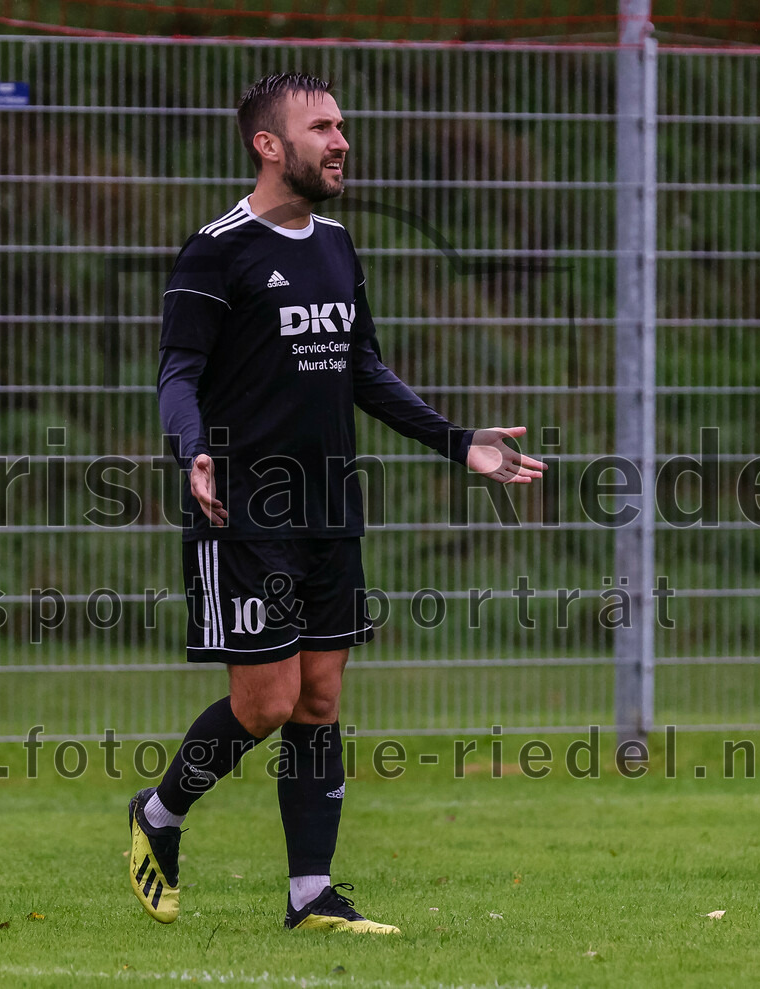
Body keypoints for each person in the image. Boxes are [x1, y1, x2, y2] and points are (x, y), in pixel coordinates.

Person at [128, 72, 546, 935]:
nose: (342, 141)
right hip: (242, 506)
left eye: (342, 125)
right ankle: (159, 812)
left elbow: (363, 370)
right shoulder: (216, 250)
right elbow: (177, 371)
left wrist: (459, 440)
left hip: (329, 506)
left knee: (319, 698)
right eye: (321, 127)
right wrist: (191, 446)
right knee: (265, 704)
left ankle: (311, 894)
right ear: (268, 145)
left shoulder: (337, 245)